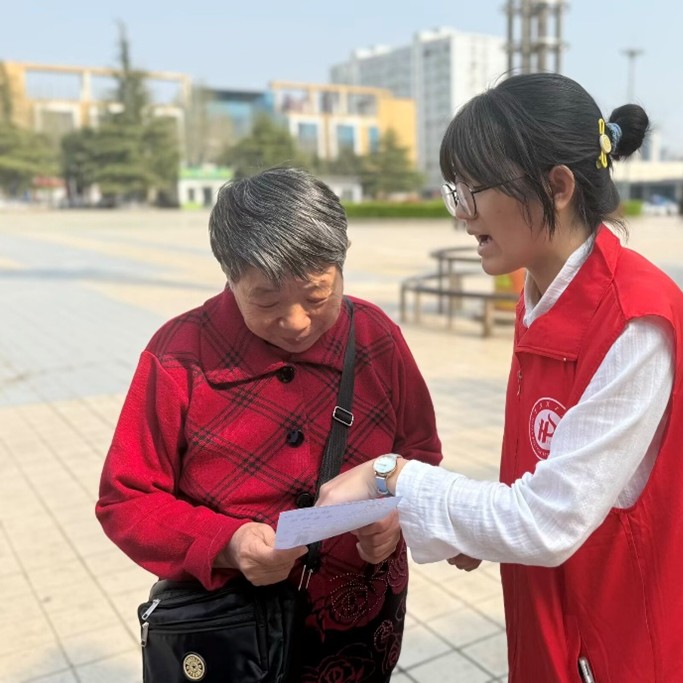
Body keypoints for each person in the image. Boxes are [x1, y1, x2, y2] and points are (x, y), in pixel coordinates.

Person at [317, 73, 683, 682]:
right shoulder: (544, 295)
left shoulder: (634, 321)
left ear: (557, 186)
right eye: (456, 190)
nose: (462, 214)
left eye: (475, 189)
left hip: (630, 635)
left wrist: (392, 477)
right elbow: (546, 475)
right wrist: (472, 529)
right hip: (566, 615)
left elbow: (549, 520)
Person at [96, 167, 443, 682]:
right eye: (266, 300)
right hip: (234, 638)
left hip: (363, 629)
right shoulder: (179, 355)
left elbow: (420, 453)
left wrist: (395, 514)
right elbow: (125, 500)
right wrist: (227, 543)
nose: (297, 321)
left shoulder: (375, 336)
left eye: (317, 295)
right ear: (229, 275)